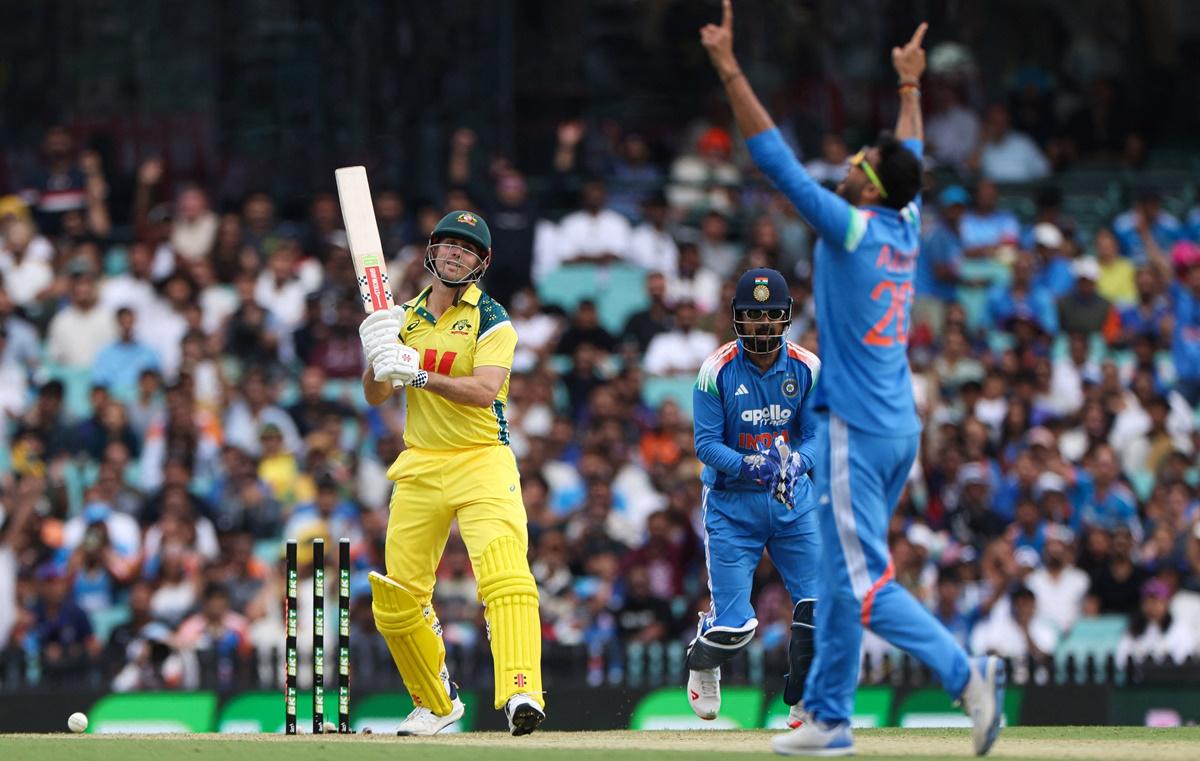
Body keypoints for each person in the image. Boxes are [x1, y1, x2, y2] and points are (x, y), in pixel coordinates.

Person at [699, 5, 1003, 755]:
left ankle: (965, 676)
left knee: (863, 585)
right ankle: (831, 718)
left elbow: (774, 161)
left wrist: (730, 67)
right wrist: (909, 89)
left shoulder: (853, 224)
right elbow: (911, 157)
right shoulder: (905, 218)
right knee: (836, 581)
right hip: (899, 423)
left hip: (856, 431)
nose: (853, 159)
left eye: (861, 158)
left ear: (866, 184)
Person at [357, 210, 544, 736]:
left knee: (505, 577)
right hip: (420, 461)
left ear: (481, 262)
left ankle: (521, 689)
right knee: (396, 598)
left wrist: (416, 371)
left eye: (467, 249)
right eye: (448, 245)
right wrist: (377, 352)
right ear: (432, 251)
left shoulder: (494, 320)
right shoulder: (406, 315)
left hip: (482, 458)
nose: (456, 254)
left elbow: (484, 392)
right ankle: (436, 704)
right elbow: (375, 393)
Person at [687, 268, 821, 729]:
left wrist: (795, 464)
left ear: (786, 318)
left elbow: (817, 436)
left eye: (770, 316)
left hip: (792, 501)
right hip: (732, 507)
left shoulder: (807, 367)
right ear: (737, 319)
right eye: (752, 315)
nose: (762, 325)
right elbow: (705, 445)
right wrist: (752, 464)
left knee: (819, 604)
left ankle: (804, 701)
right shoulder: (715, 371)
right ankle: (704, 657)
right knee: (737, 627)